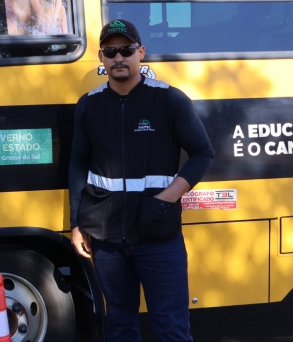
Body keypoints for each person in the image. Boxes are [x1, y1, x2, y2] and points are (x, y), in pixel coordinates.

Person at [69, 19, 214, 342]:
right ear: (101, 57)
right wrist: (76, 222)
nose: (119, 57)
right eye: (110, 52)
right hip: (106, 239)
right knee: (120, 326)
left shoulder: (169, 100)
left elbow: (203, 153)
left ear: (141, 52)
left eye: (126, 50)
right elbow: (78, 162)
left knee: (171, 329)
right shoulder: (89, 105)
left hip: (158, 237)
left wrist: (167, 198)